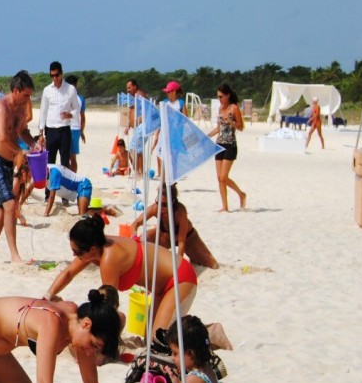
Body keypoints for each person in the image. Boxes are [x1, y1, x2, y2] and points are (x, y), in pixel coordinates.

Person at [45, 216, 199, 333]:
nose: (74, 255)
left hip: (180, 278)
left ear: (91, 249)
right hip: (160, 287)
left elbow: (108, 306)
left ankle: (209, 333)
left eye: (77, 252)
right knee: (151, 339)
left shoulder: (109, 257)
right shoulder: (95, 246)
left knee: (157, 341)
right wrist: (47, 296)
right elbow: (68, 273)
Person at [0, 70, 40, 264]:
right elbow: (3, 137)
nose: (28, 99)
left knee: (1, 208)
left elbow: (23, 131)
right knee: (10, 204)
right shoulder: (1, 106)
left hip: (6, 162)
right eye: (26, 95)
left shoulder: (21, 110)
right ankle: (15, 255)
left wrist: (33, 145)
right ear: (16, 90)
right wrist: (20, 152)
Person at [131, 184, 218, 269]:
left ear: (172, 202)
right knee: (144, 237)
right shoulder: (156, 208)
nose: (161, 207)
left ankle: (193, 258)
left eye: (165, 205)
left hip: (188, 238)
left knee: (213, 265)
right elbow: (135, 223)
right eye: (159, 202)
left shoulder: (180, 211)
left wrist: (178, 264)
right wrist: (134, 236)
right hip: (166, 237)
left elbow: (181, 242)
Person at [207, 83, 247, 212]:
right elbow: (219, 128)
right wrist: (207, 136)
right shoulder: (220, 109)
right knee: (219, 178)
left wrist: (231, 122)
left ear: (228, 95)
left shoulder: (234, 108)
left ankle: (241, 194)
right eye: (218, 97)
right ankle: (225, 206)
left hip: (230, 145)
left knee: (223, 177)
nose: (219, 99)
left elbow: (241, 127)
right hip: (219, 144)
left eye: (221, 96)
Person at [39, 61, 80, 170]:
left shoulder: (70, 89)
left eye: (57, 75)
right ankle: (50, 182)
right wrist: (41, 133)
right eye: (52, 75)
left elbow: (77, 109)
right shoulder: (47, 90)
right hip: (50, 131)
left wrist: (69, 115)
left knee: (65, 164)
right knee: (49, 164)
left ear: (62, 73)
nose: (55, 78)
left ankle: (64, 182)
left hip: (64, 131)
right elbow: (43, 112)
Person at [66, 74, 86, 172]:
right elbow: (83, 118)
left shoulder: (65, 97)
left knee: (66, 156)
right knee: (73, 157)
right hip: (76, 129)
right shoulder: (81, 98)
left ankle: (68, 176)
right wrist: (81, 131)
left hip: (66, 128)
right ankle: (73, 176)